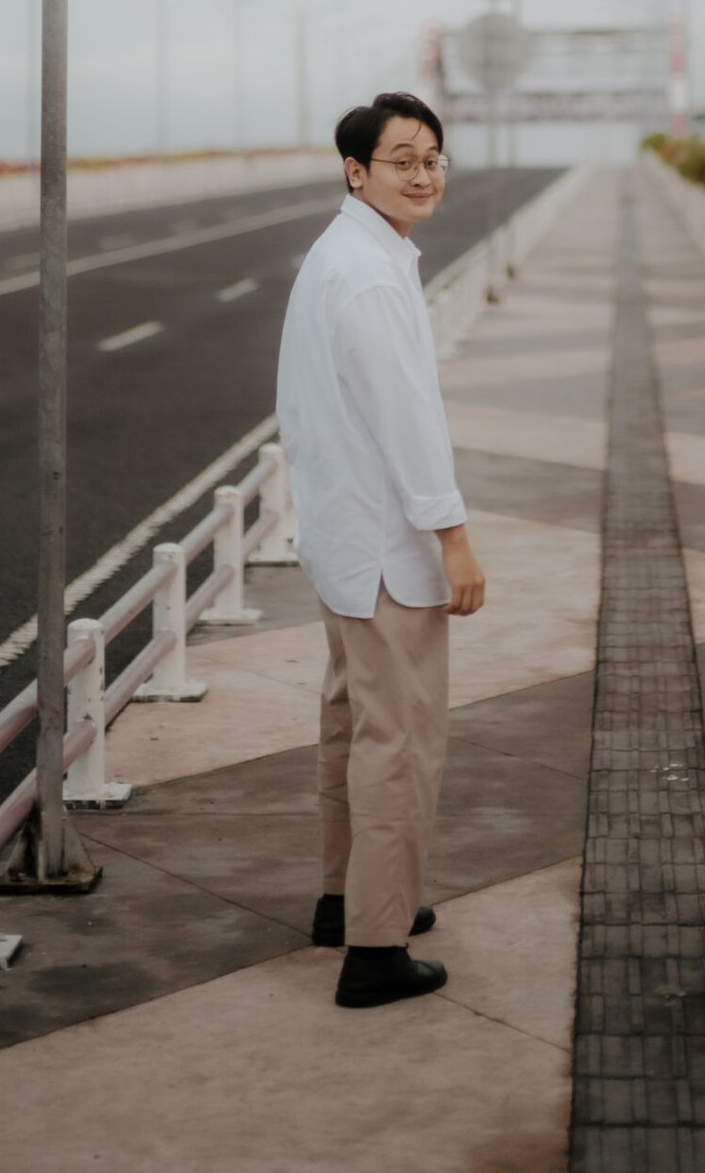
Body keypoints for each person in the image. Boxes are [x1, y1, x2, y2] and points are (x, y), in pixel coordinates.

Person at [276, 91, 485, 1010]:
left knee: (354, 728)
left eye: (432, 157)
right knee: (398, 744)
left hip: (343, 538)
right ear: (356, 171)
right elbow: (409, 424)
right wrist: (455, 540)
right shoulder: (366, 274)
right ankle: (375, 948)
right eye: (403, 160)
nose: (423, 174)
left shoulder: (347, 253)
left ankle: (347, 902)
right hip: (387, 551)